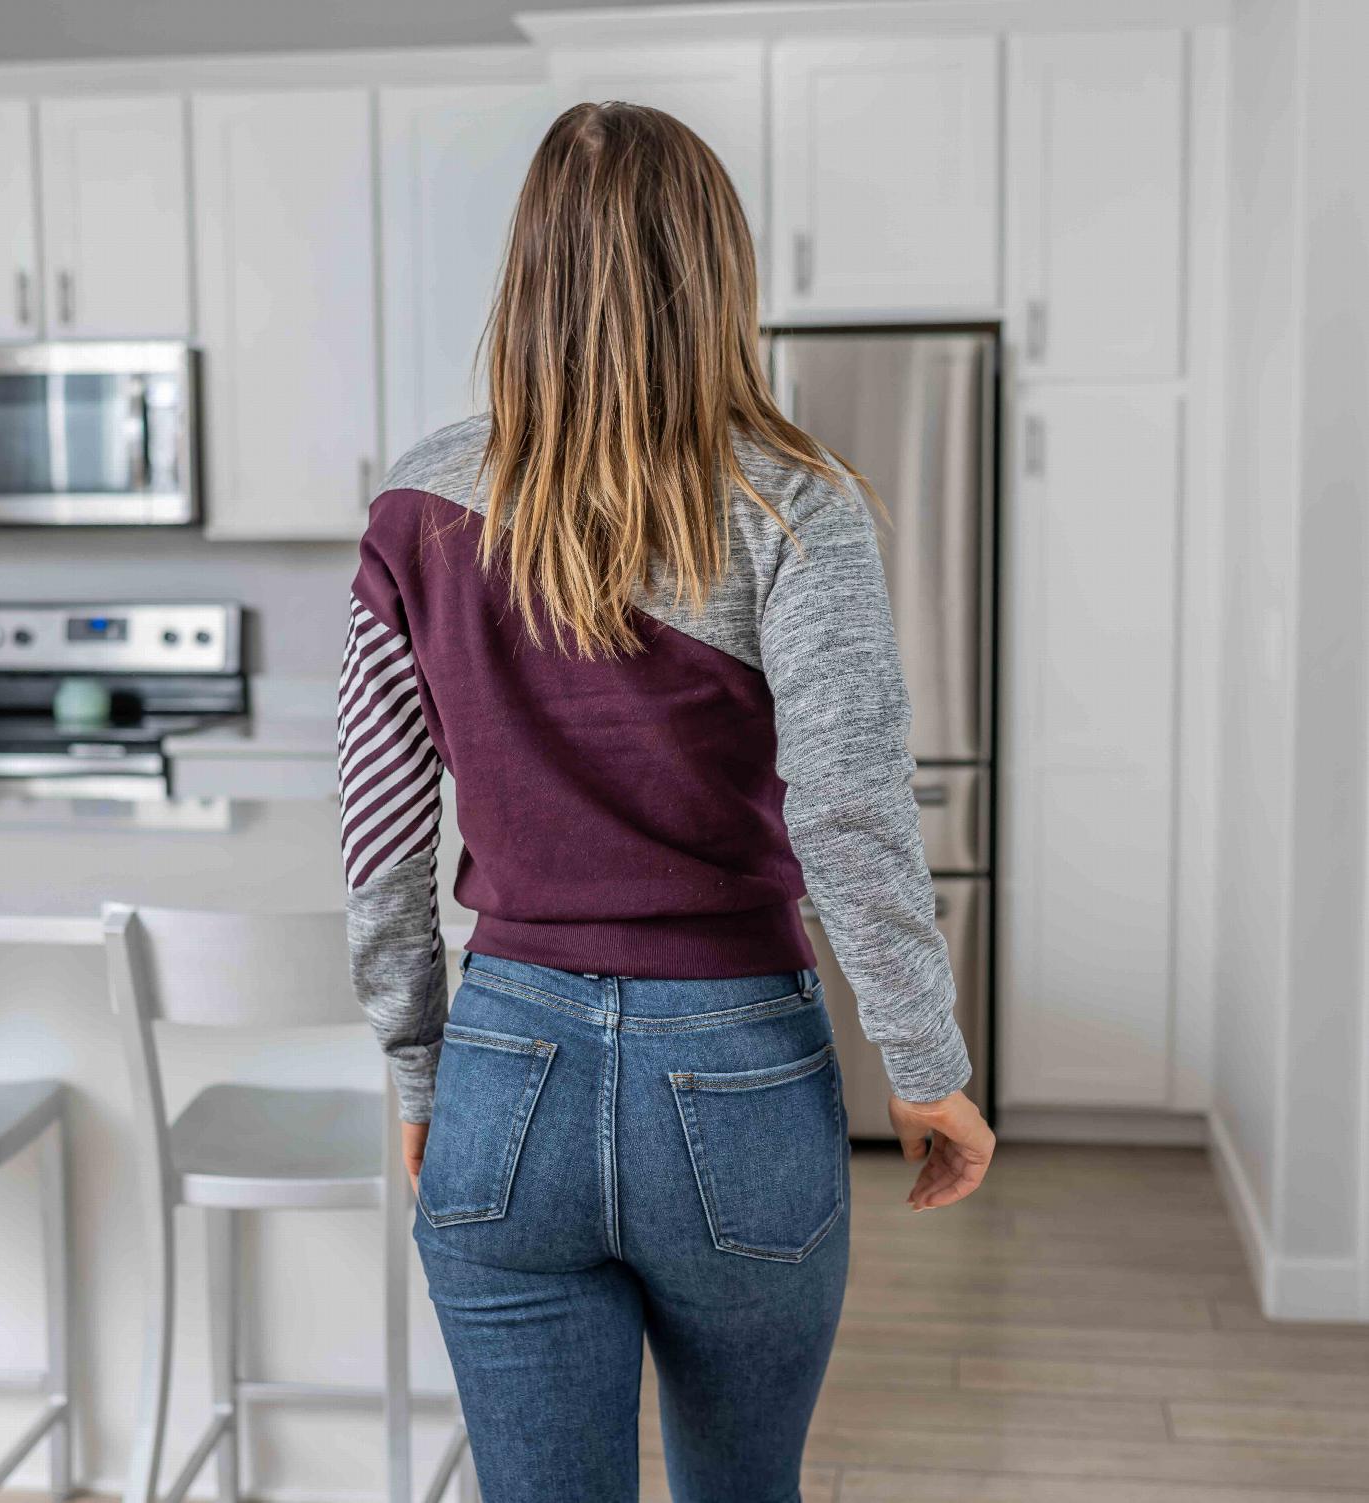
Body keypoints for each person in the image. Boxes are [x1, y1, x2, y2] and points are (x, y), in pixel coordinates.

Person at [337, 100, 995, 1503]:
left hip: (505, 1077)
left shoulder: (415, 503)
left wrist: (416, 1066)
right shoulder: (793, 504)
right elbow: (851, 810)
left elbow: (380, 836)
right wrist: (926, 1070)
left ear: (527, 278)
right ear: (717, 279)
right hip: (741, 1072)